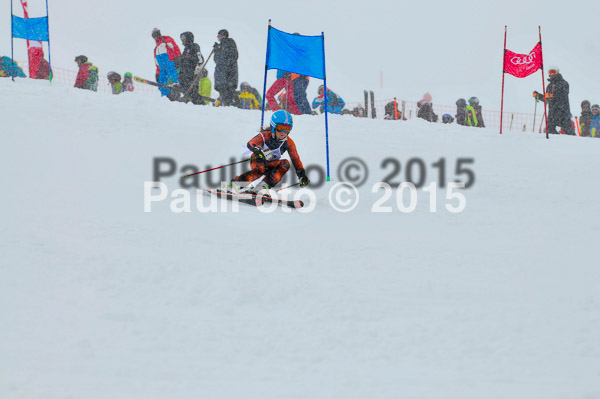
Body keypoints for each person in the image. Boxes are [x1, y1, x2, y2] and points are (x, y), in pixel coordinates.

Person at [231, 110, 309, 192]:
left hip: (271, 164)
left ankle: (261, 188)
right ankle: (238, 183)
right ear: (273, 127)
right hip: (258, 161)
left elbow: (295, 159)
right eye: (281, 128)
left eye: (287, 128)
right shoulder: (265, 135)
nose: (283, 132)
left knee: (285, 164)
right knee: (261, 168)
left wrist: (302, 175)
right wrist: (257, 150)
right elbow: (250, 143)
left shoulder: (289, 142)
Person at [533, 67, 575, 135]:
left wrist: (554, 95)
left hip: (563, 111)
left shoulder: (564, 83)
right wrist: (538, 96)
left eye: (554, 72)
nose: (552, 74)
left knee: (568, 131)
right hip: (553, 112)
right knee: (549, 130)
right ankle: (556, 142)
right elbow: (547, 99)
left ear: (557, 73)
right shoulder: (549, 86)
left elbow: (564, 94)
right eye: (550, 72)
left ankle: (576, 142)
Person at [174, 31, 204, 104]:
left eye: (184, 38)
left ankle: (202, 106)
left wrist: (186, 59)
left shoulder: (194, 46)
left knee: (193, 94)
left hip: (191, 77)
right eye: (181, 39)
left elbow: (200, 60)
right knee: (186, 94)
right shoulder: (185, 50)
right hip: (184, 77)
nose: (182, 40)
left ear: (188, 38)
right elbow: (183, 63)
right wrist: (178, 62)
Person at [152, 28, 180, 97]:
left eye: (156, 34)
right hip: (162, 67)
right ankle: (165, 94)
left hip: (170, 60)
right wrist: (157, 73)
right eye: (153, 35)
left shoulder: (166, 39)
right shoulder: (156, 49)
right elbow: (157, 63)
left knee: (172, 72)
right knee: (161, 80)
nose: (155, 37)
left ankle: (179, 84)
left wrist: (177, 57)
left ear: (159, 34)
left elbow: (175, 47)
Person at [213, 29, 239, 107]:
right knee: (224, 96)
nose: (218, 37)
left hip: (227, 76)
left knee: (229, 94)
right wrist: (217, 50)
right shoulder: (221, 46)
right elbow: (217, 60)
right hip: (222, 77)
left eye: (219, 36)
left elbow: (231, 57)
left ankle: (234, 107)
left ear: (223, 35)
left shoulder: (229, 43)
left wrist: (220, 49)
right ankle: (229, 107)